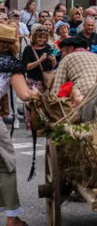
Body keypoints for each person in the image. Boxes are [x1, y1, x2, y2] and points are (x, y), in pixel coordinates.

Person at [0, 23, 37, 226]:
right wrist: (38, 95)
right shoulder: (11, 65)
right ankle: (12, 218)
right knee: (6, 164)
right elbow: (24, 95)